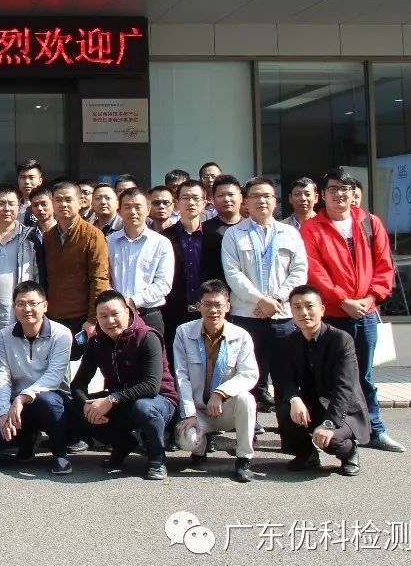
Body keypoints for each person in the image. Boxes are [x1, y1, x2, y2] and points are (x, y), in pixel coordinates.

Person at [300, 168, 404, 453]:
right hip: (332, 314)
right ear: (322, 194)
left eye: (344, 188)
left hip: (365, 313)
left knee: (365, 375)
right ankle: (334, 431)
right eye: (333, 189)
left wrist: (370, 298)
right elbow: (314, 271)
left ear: (353, 192)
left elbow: (385, 266)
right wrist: (342, 299)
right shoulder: (312, 228)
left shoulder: (370, 222)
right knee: (332, 376)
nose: (339, 194)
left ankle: (375, 430)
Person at [70, 291, 179, 481]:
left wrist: (112, 399)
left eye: (115, 314)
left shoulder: (147, 337)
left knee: (144, 408)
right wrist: (86, 405)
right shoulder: (97, 342)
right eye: (103, 316)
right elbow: (78, 383)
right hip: (121, 400)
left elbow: (151, 386)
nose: (110, 321)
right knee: (74, 407)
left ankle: (157, 457)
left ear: (128, 312)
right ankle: (123, 444)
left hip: (158, 400)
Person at [222, 177, 308, 414]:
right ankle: (249, 425)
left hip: (283, 316)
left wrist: (277, 300)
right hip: (247, 315)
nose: (262, 201)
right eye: (256, 196)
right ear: (245, 202)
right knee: (247, 374)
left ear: (275, 201)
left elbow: (299, 272)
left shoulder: (290, 233)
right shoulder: (234, 235)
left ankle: (288, 428)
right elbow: (232, 273)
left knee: (285, 373)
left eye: (267, 196)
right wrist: (260, 301)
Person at [274, 285, 370, 476]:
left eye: (310, 306)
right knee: (285, 408)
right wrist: (294, 399)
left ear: (322, 309)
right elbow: (286, 378)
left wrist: (328, 424)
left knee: (330, 440)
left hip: (343, 410)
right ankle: (307, 454)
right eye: (297, 307)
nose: (304, 312)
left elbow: (344, 388)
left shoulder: (341, 340)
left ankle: (349, 452)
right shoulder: (290, 341)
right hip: (313, 405)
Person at [172, 280, 260, 483]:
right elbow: (181, 375)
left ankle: (244, 459)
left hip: (225, 409)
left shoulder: (241, 336)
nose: (213, 310)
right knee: (187, 441)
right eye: (207, 304)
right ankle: (200, 447)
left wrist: (220, 393)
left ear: (228, 306)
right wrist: (189, 414)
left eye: (218, 305)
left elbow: (249, 374)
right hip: (198, 410)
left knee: (246, 399)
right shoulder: (184, 332)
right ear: (198, 306)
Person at [0, 281, 73, 475]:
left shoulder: (62, 334)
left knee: (47, 401)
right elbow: (2, 377)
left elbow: (54, 377)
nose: (27, 309)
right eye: (21, 304)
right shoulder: (3, 335)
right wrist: (3, 413)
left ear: (45, 306)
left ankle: (60, 453)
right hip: (17, 403)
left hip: (52, 399)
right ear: (14, 307)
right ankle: (28, 440)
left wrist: (23, 397)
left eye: (33, 303)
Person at [0, 183, 40, 371]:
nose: (7, 208)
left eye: (12, 204)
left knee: (22, 373)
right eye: (1, 203)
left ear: (19, 206)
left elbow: (39, 276)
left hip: (23, 319)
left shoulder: (30, 238)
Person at [43, 180, 110, 339]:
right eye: (58, 200)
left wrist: (93, 319)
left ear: (80, 202)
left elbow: (99, 279)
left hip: (82, 317)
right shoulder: (48, 236)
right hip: (52, 315)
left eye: (68, 199)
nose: (63, 204)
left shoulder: (93, 235)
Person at [106, 188, 173, 338]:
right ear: (119, 211)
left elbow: (164, 283)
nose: (133, 212)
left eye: (138, 207)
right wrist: (118, 303)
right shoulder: (108, 242)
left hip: (149, 314)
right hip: (114, 316)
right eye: (127, 207)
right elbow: (103, 278)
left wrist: (132, 301)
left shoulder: (161, 243)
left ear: (148, 210)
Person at [163, 179, 209, 370]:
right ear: (176, 203)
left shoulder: (215, 237)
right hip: (173, 310)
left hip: (207, 310)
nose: (190, 202)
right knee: (175, 361)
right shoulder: (164, 238)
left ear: (204, 203)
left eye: (196, 198)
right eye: (185, 198)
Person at [201, 175, 244, 280]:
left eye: (231, 194)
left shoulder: (251, 228)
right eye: (221, 195)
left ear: (241, 198)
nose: (226, 199)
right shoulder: (203, 230)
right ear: (213, 199)